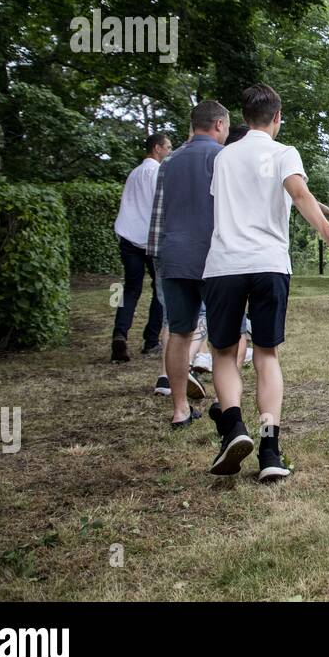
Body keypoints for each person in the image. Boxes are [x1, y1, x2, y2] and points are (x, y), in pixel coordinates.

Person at [201, 84, 329, 481]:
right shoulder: (284, 153)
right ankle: (269, 450)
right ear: (277, 117)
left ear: (244, 117)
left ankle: (232, 427)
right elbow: (299, 194)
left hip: (224, 265)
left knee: (224, 352)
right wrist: (327, 232)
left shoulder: (224, 156)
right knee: (266, 355)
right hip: (268, 263)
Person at [146, 101, 229, 428]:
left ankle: (180, 409)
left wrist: (157, 256)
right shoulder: (222, 158)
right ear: (219, 125)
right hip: (215, 257)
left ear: (193, 124)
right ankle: (226, 402)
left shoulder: (169, 162)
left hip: (173, 255)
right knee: (227, 334)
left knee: (179, 332)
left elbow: (159, 214)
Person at [112, 133, 171, 365]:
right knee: (160, 290)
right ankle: (151, 339)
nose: (169, 151)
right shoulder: (157, 172)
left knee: (129, 289)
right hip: (149, 238)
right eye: (167, 147)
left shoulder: (134, 173)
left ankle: (119, 333)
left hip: (127, 236)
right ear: (157, 148)